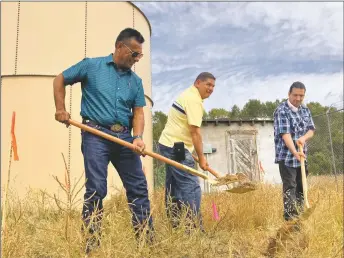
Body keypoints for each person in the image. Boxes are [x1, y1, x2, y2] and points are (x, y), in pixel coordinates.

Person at [53, 28, 154, 253]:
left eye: (140, 56)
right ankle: (92, 243)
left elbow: (138, 113)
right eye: (134, 54)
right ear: (119, 47)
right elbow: (59, 79)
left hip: (125, 139)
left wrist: (137, 138)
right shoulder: (92, 66)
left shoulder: (135, 82)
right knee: (97, 188)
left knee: (138, 187)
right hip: (95, 135)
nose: (137, 59)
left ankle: (147, 242)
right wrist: (60, 109)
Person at [158, 72, 216, 231]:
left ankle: (175, 226)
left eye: (213, 86)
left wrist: (192, 152)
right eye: (208, 84)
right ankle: (196, 230)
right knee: (191, 186)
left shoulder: (189, 96)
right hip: (176, 147)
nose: (211, 89)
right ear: (198, 82)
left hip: (169, 144)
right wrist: (202, 158)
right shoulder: (193, 100)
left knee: (174, 187)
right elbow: (195, 132)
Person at [273, 81, 315, 221]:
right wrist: (294, 152)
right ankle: (290, 221)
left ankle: (300, 217)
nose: (298, 98)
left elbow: (311, 130)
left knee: (302, 188)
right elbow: (285, 135)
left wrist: (304, 138)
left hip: (302, 156)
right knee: (290, 187)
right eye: (295, 95)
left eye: (301, 96)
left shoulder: (305, 110)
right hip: (286, 158)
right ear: (289, 94)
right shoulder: (282, 110)